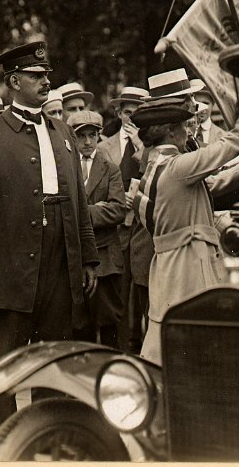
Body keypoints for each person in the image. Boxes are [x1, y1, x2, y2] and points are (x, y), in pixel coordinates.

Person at [0, 41, 99, 437]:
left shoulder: (62, 132)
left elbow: (78, 202)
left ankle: (47, 443)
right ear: (13, 81)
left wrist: (87, 258)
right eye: (36, 76)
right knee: (4, 367)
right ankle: (3, 448)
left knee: (53, 364)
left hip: (60, 261)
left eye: (47, 76)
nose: (45, 81)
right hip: (9, 262)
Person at [130, 97, 239, 364]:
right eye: (184, 126)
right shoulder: (177, 167)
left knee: (168, 334)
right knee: (195, 333)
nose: (189, 131)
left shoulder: (156, 167)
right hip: (187, 264)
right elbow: (226, 147)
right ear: (171, 131)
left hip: (168, 264)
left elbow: (212, 185)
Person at [69, 111, 127, 347]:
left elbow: (117, 210)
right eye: (81, 136)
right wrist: (95, 209)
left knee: (108, 320)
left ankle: (110, 375)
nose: (87, 142)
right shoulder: (66, 168)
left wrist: (81, 213)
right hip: (76, 256)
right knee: (79, 324)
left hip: (105, 258)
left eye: (92, 135)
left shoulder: (110, 168)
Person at [97, 85, 148, 349]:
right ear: (119, 112)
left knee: (142, 291)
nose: (132, 118)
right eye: (128, 113)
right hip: (116, 228)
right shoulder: (104, 145)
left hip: (141, 226)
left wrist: (140, 143)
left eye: (138, 113)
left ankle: (139, 348)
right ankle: (120, 351)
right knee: (119, 290)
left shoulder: (149, 145)